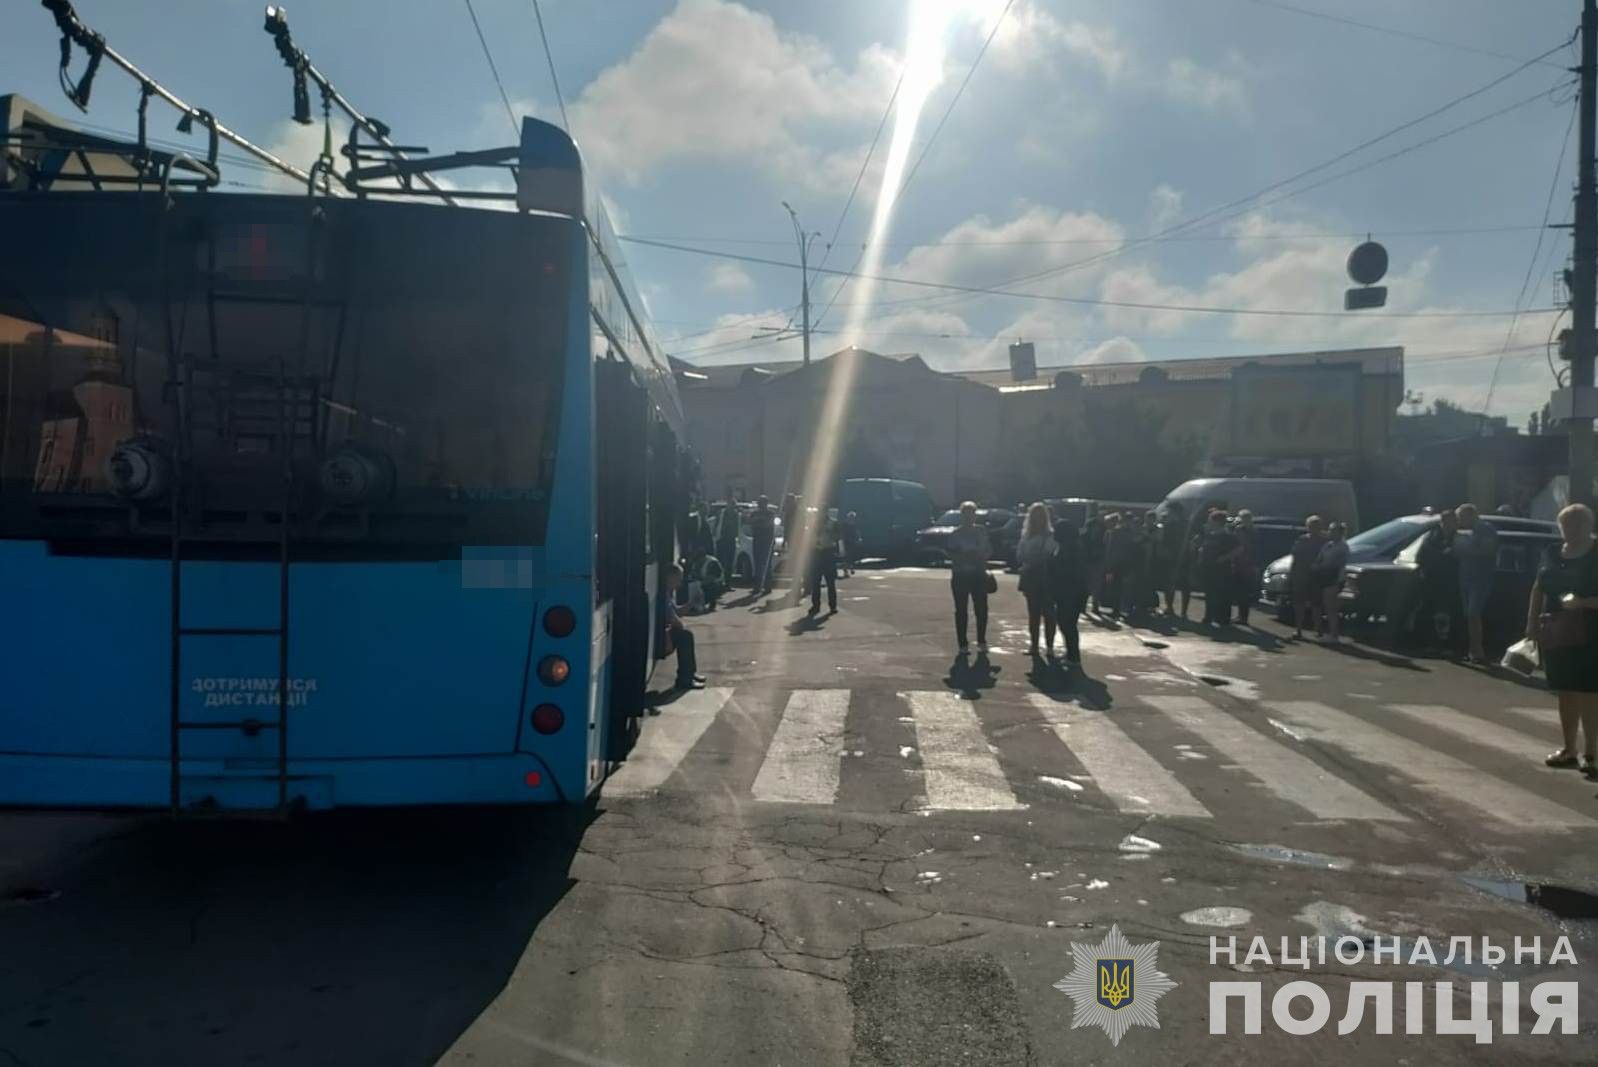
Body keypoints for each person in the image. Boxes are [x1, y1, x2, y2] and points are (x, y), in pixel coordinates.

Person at [1526, 503, 1598, 778]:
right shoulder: (1552, 552)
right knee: (1565, 691)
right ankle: (1569, 749)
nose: (1572, 529)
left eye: (1578, 523)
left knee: (1590, 692)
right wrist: (1531, 623)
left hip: (1592, 631)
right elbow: (1538, 586)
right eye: (1567, 524)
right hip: (1557, 629)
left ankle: (1592, 753)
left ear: (1589, 525)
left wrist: (1584, 602)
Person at [1454, 503, 1499, 664]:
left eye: (1461, 518)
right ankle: (1472, 650)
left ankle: (1477, 651)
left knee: (1474, 613)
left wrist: (1466, 550)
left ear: (1470, 515)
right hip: (1466, 577)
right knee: (1469, 615)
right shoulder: (1467, 531)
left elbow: (1488, 550)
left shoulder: (1485, 528)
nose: (1460, 522)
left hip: (1480, 578)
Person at [946, 501, 992, 651]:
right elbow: (951, 554)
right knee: (961, 610)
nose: (969, 518)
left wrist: (981, 556)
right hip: (961, 575)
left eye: (971, 514)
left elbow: (988, 550)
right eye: (966, 515)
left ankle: (981, 640)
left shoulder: (981, 531)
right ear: (962, 516)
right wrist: (964, 556)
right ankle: (963, 643)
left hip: (978, 574)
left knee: (982, 608)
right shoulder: (955, 534)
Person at [1412, 510, 1459, 650]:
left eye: (1454, 522)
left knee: (1446, 612)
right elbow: (1421, 557)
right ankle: (1423, 641)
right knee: (1427, 610)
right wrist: (1443, 555)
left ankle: (1444, 642)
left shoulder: (1457, 537)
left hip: (1450, 580)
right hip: (1432, 579)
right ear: (1443, 522)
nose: (1452, 525)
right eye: (1449, 522)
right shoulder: (1432, 537)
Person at [1015, 502, 1058, 656]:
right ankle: (1034, 645)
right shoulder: (1026, 536)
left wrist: (1041, 558)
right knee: (1033, 613)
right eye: (1035, 516)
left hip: (1047, 577)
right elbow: (1019, 555)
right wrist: (1029, 558)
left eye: (1041, 516)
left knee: (1049, 613)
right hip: (1030, 575)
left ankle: (1050, 647)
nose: (1038, 519)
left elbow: (1053, 554)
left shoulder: (1051, 536)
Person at [660, 564, 706, 691]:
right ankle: (685, 679)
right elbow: (673, 619)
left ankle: (689, 674)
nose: (680, 584)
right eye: (678, 579)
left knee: (686, 634)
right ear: (670, 577)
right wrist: (683, 626)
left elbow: (677, 612)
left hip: (665, 632)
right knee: (685, 636)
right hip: (662, 635)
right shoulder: (662, 594)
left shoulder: (668, 593)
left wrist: (691, 602)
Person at [1050, 518, 1087, 666]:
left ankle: (1074, 656)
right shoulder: (1070, 546)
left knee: (1068, 624)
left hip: (1070, 592)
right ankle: (1071, 653)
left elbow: (1068, 572)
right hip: (1070, 592)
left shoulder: (1070, 549)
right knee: (1067, 624)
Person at [1288, 515, 1327, 640]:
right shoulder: (1302, 540)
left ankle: (1318, 629)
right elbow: (1295, 557)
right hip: (1301, 575)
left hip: (1316, 576)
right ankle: (1298, 629)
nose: (1313, 529)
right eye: (1311, 526)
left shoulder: (1325, 541)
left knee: (1317, 604)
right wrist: (1292, 574)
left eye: (1316, 526)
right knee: (1299, 603)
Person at [1199, 509, 1240, 626]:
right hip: (1209, 568)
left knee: (1222, 594)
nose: (1209, 522)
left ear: (1217, 521)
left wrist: (1224, 558)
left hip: (1222, 570)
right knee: (1209, 593)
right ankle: (1209, 616)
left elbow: (1238, 549)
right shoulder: (1210, 535)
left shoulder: (1227, 536)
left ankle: (1223, 619)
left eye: (1211, 520)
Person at [1317, 521, 1350, 643]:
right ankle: (1331, 632)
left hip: (1335, 578)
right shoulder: (1328, 545)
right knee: (1327, 606)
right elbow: (1320, 559)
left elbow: (1336, 563)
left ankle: (1334, 634)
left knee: (1332, 607)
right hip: (1325, 577)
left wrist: (1324, 566)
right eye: (1329, 530)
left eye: (1333, 530)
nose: (1330, 532)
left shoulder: (1342, 547)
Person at [1156, 502, 1186, 615]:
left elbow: (1163, 540)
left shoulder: (1170, 525)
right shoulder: (1185, 524)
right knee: (1179, 584)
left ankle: (1170, 607)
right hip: (1181, 557)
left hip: (1172, 557)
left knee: (1170, 584)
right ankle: (1180, 610)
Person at [1230, 509, 1259, 626]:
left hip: (1244, 564)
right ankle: (1242, 616)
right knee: (1242, 592)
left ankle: (1243, 617)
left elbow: (1240, 545)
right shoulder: (1253, 531)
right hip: (1245, 563)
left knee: (1243, 591)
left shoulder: (1243, 531)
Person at [809, 510, 840, 616]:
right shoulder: (813, 523)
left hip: (828, 552)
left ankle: (833, 606)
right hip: (816, 552)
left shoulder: (832, 523)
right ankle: (815, 605)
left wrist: (830, 533)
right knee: (815, 582)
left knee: (830, 582)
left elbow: (838, 537)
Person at [1103, 512, 1132, 618]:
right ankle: (1118, 608)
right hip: (1122, 562)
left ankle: (1115, 609)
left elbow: (1108, 549)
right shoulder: (1124, 532)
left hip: (1114, 563)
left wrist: (1108, 564)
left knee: (1114, 586)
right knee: (1119, 586)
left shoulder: (1113, 533)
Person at [1081, 503, 1106, 614]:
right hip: (1091, 557)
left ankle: (1093, 605)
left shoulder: (1101, 525)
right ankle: (1087, 605)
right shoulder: (1092, 524)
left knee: (1094, 583)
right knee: (1090, 583)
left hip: (1096, 557)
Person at [749, 495, 777, 594]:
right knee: (757, 564)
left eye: (762, 502)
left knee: (767, 564)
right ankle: (757, 587)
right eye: (759, 503)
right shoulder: (754, 513)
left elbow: (767, 524)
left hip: (767, 542)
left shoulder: (771, 513)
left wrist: (758, 522)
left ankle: (767, 586)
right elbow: (751, 523)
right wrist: (759, 522)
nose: (760, 505)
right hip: (757, 541)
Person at [715, 502, 740, 578]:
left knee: (730, 562)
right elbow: (716, 526)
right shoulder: (722, 514)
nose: (732, 508)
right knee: (721, 561)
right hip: (722, 540)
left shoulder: (736, 515)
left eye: (733, 507)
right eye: (730, 506)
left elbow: (737, 527)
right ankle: (720, 580)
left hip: (731, 540)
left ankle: (728, 582)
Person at [841, 510, 860, 577]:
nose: (852, 518)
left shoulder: (854, 524)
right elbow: (843, 533)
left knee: (851, 556)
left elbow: (856, 533)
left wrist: (858, 538)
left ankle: (851, 568)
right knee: (846, 557)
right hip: (846, 542)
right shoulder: (845, 525)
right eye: (851, 517)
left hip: (852, 542)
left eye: (853, 517)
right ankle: (846, 571)